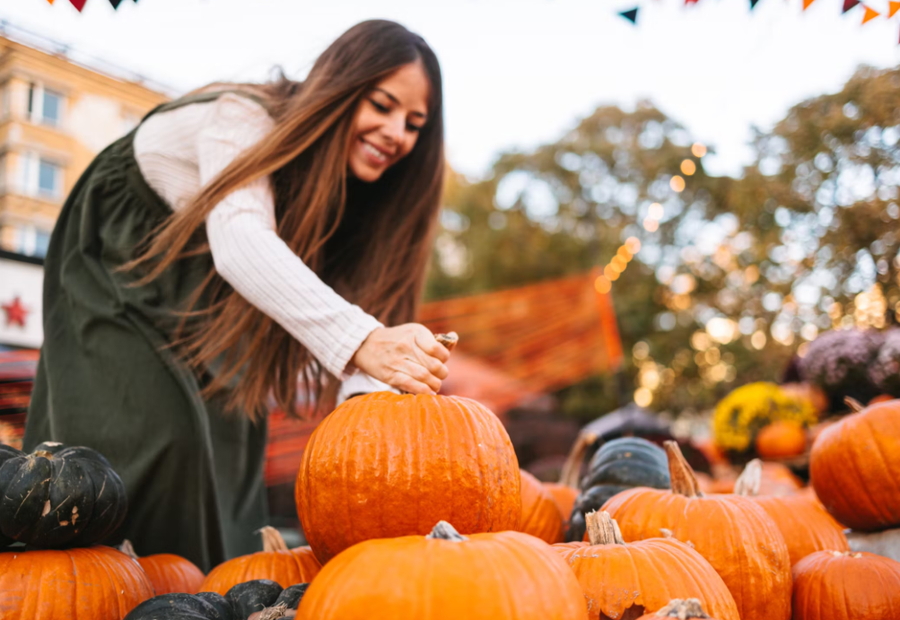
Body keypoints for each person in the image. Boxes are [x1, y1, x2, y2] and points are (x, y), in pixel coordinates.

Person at [23, 20, 450, 571]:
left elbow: (360, 336)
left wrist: (379, 439)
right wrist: (363, 339)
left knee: (229, 450)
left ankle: (205, 596)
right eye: (382, 104)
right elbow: (241, 239)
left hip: (219, 297)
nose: (397, 133)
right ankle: (115, 591)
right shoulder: (242, 116)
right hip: (126, 257)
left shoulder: (352, 201)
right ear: (340, 86)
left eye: (415, 123)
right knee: (154, 438)